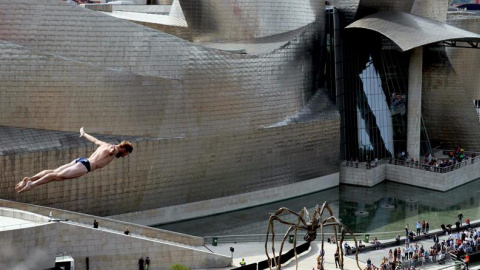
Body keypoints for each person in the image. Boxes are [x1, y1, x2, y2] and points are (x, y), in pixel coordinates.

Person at [15, 127, 133, 193]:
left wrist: (84, 133)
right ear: (124, 149)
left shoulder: (105, 144)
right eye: (126, 154)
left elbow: (95, 140)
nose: (124, 156)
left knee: (54, 172)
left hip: (81, 160)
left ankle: (29, 179)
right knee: (57, 176)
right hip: (86, 166)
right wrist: (113, 151)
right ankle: (32, 184)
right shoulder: (115, 150)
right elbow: (113, 151)